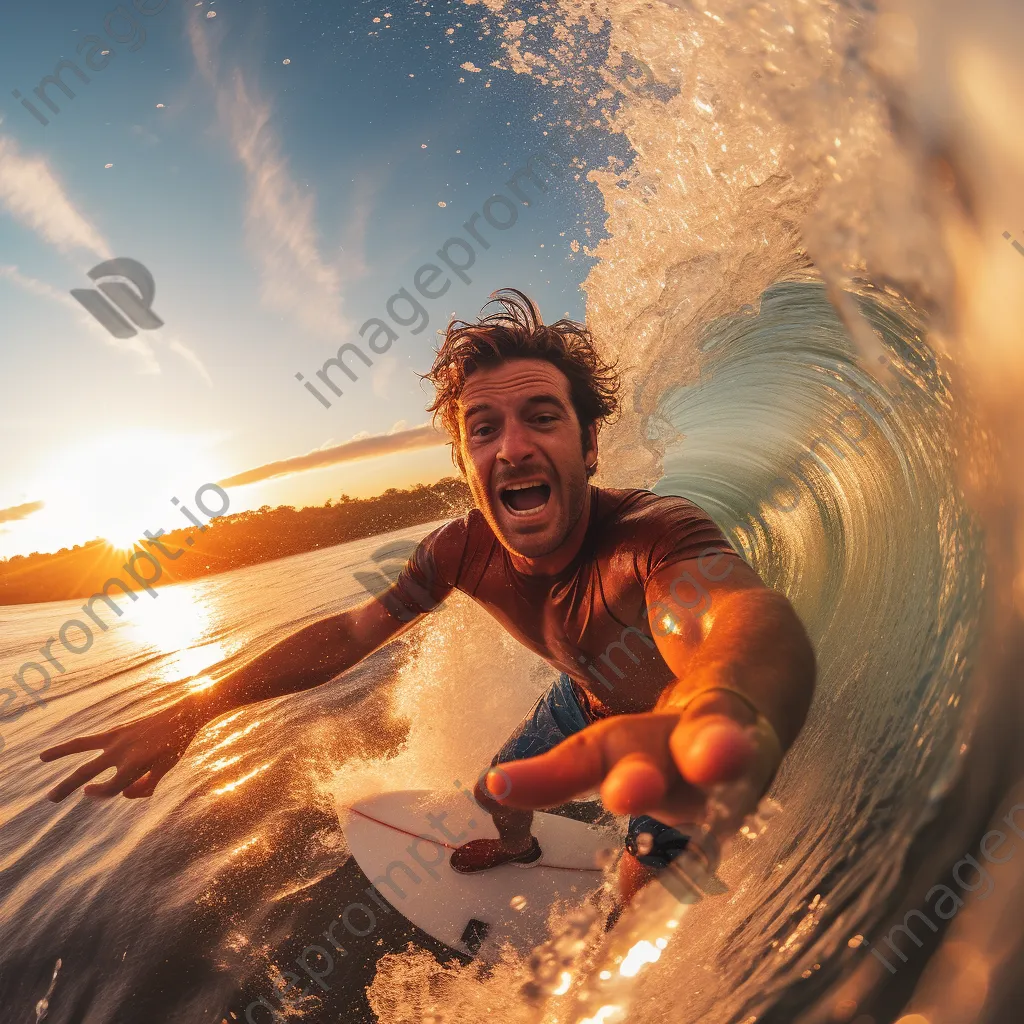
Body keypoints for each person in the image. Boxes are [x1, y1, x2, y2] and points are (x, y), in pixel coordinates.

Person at [40, 289, 815, 902]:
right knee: (495, 792)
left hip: (675, 731)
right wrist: (194, 710)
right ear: (466, 461)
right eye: (484, 428)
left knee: (637, 892)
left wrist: (725, 707)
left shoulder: (654, 535)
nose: (512, 445)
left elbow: (734, 620)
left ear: (588, 444)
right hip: (583, 698)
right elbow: (348, 636)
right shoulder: (457, 551)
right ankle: (521, 847)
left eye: (542, 417)